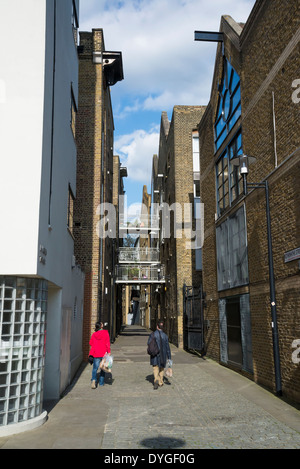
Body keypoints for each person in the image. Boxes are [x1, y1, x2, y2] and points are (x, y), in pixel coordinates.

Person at [148, 320, 171, 390]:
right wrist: (169, 357)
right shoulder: (165, 336)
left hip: (155, 354)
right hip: (163, 355)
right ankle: (160, 382)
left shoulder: (153, 334)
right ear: (162, 327)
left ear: (157, 326)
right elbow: (168, 348)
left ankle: (156, 380)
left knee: (155, 368)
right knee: (161, 368)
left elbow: (149, 343)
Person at [89, 321, 111, 389]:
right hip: (103, 353)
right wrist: (109, 351)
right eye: (102, 323)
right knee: (103, 368)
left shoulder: (94, 334)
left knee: (95, 368)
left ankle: (93, 380)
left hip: (96, 353)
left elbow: (91, 343)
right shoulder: (105, 333)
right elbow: (107, 343)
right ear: (101, 326)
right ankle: (101, 383)